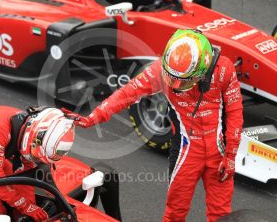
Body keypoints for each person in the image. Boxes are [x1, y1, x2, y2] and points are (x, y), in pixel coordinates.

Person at [62, 29, 243, 222]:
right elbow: (126, 94)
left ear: (203, 70)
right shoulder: (160, 71)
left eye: (183, 80)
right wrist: (93, 117)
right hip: (187, 151)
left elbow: (235, 111)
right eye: (171, 76)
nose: (174, 84)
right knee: (174, 213)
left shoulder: (224, 69)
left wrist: (231, 154)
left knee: (221, 214)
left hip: (219, 151)